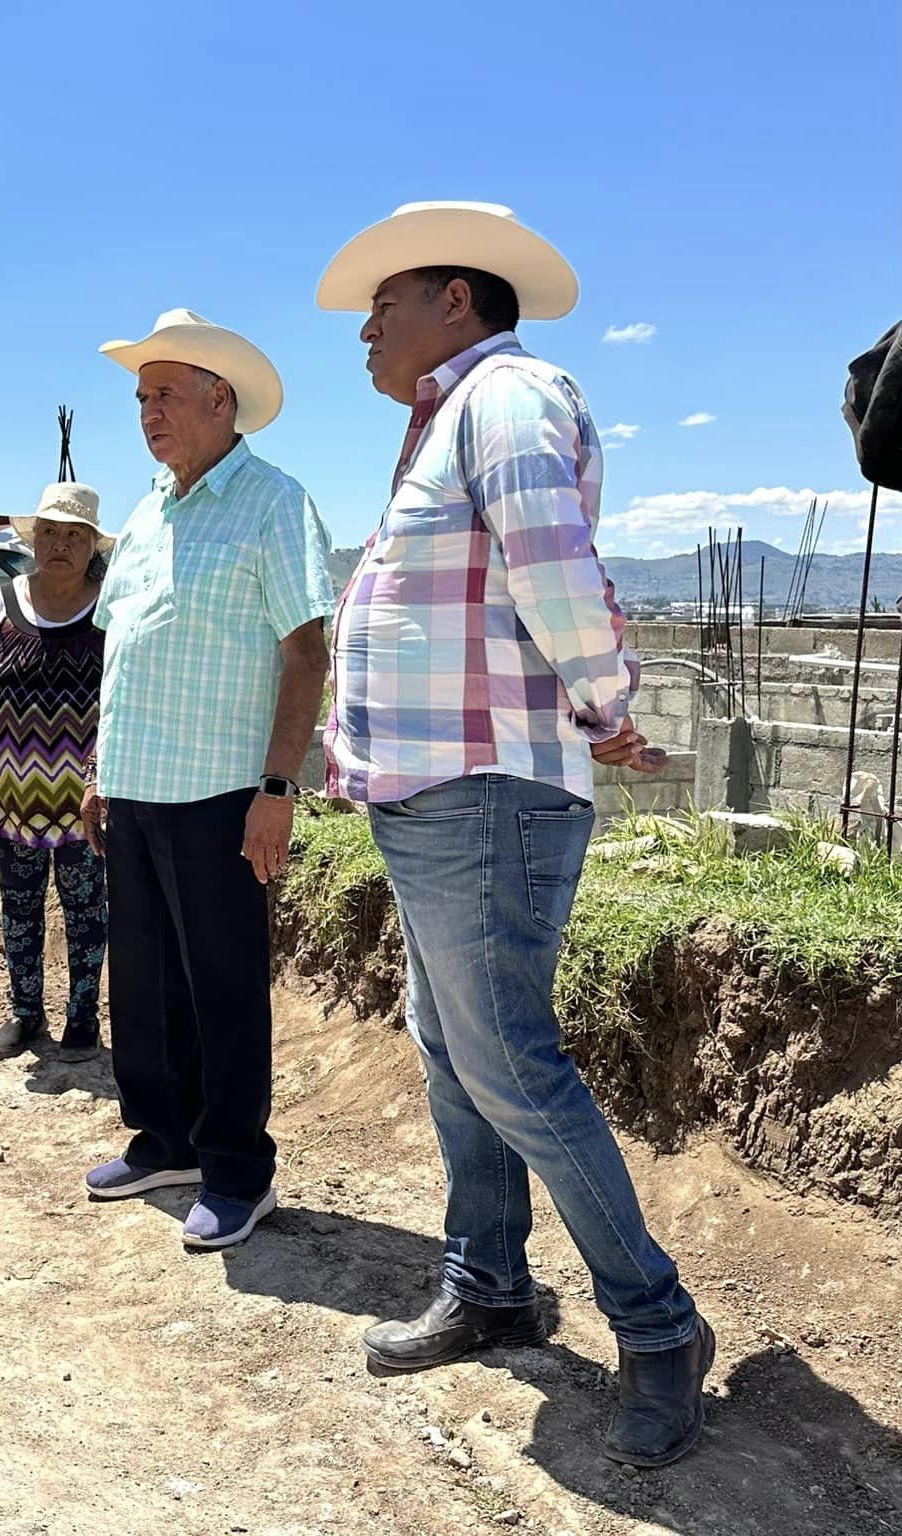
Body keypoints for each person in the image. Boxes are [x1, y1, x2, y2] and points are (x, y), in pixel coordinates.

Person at [317, 201, 709, 1466]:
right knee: (452, 1046)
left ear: (456, 299)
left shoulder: (506, 393)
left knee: (507, 1065)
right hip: (437, 787)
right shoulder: (448, 418)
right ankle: (488, 1282)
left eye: (387, 299)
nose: (365, 325)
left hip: (486, 784)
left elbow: (549, 560)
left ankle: (657, 1328)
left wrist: (604, 703)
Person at [80, 309, 334, 1251]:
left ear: (220, 399)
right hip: (138, 786)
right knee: (143, 982)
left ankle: (237, 1169)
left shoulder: (273, 502)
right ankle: (165, 1139)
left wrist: (279, 786)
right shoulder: (147, 511)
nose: (149, 413)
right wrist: (104, 771)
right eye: (142, 397)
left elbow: (306, 651)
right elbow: (124, 656)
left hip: (226, 791)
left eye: (166, 395)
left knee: (223, 987)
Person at [0, 482, 109, 1062]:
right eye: (49, 532)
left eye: (74, 535)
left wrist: (106, 776)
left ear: (93, 544)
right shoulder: (1, 602)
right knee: (19, 905)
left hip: (87, 796)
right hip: (7, 795)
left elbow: (124, 697)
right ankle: (25, 1013)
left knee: (87, 906)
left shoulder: (111, 606)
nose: (59, 545)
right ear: (33, 539)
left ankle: (83, 1018)